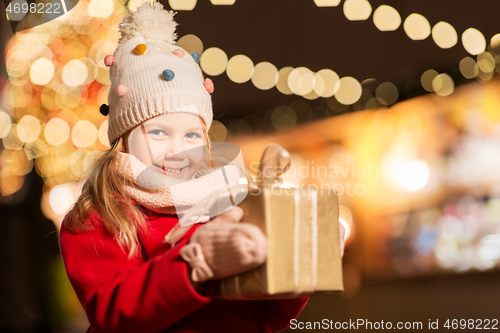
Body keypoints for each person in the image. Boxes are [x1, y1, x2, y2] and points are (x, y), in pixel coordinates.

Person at [59, 2, 328, 332]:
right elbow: (113, 311)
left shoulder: (228, 200)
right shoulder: (99, 215)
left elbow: (264, 315)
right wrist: (197, 263)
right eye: (158, 133)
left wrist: (300, 260)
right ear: (124, 137)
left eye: (191, 135)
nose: (178, 150)